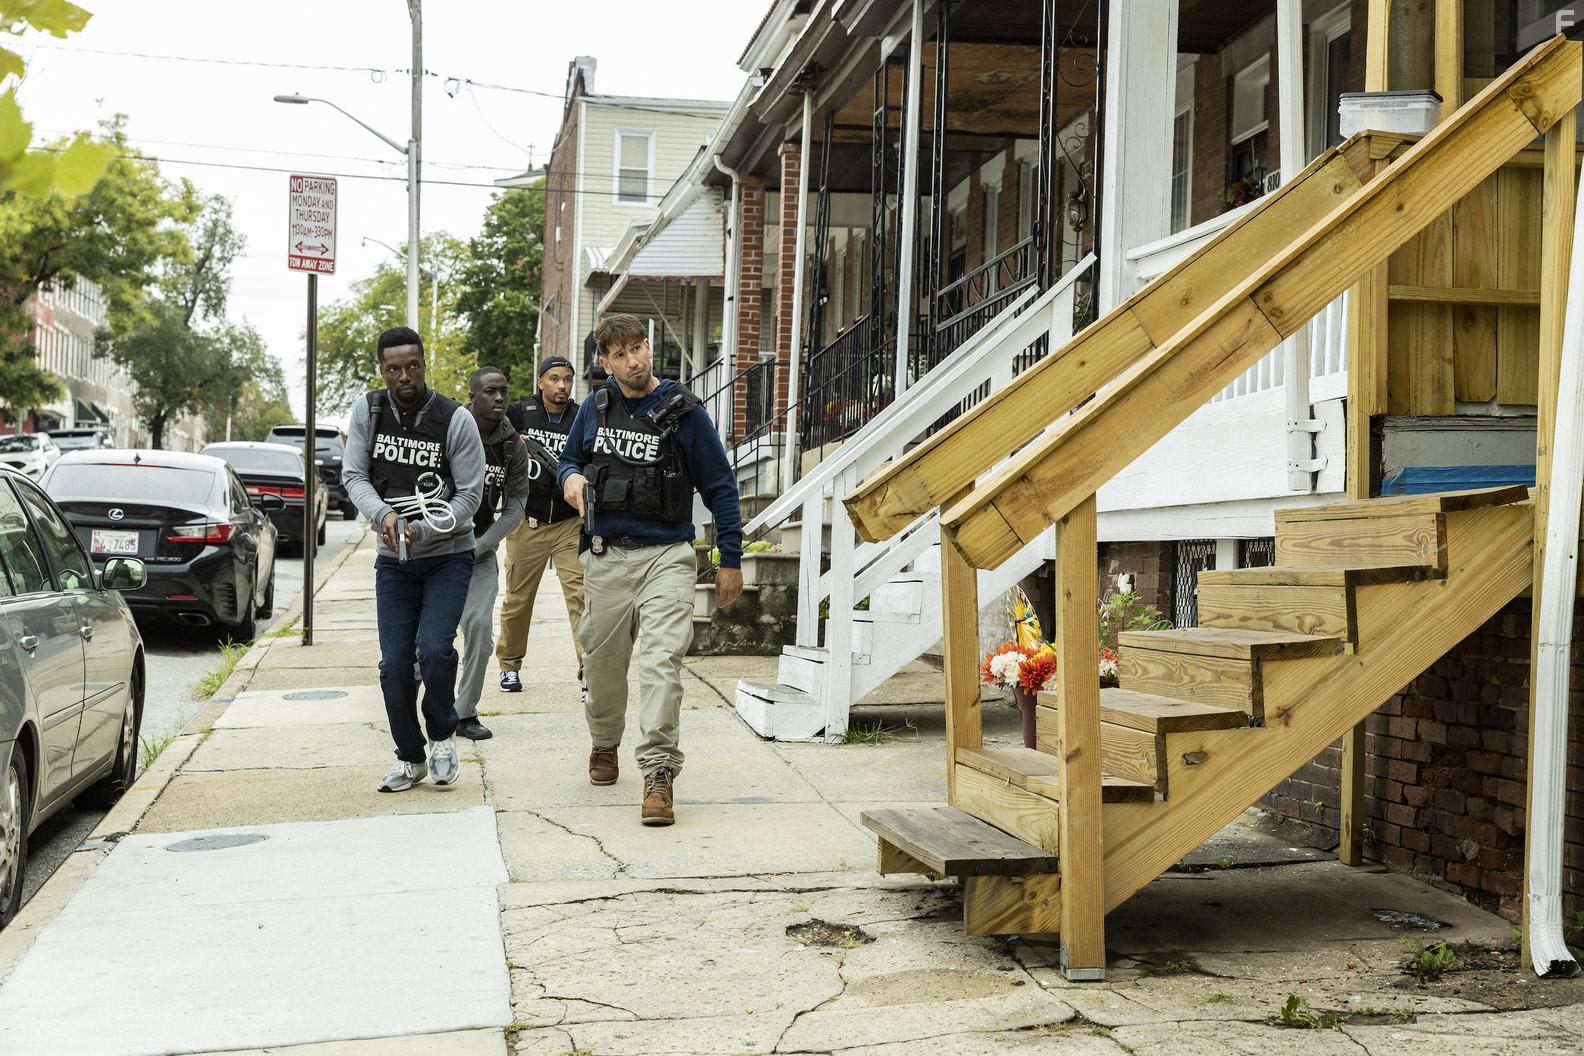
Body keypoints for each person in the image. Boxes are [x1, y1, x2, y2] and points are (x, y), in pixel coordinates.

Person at [558, 313, 743, 827]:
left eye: (638, 348)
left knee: (662, 663)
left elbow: (720, 488)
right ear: (605, 362)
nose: (633, 361)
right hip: (605, 555)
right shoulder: (595, 407)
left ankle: (659, 772)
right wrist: (570, 479)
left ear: (648, 345)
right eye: (620, 354)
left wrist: (730, 558)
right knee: (602, 666)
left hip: (667, 556)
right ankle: (604, 741)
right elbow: (568, 460)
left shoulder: (683, 412)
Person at [342, 326, 485, 793]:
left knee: (435, 650)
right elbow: (353, 475)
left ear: (425, 364)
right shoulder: (369, 409)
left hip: (448, 555)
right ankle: (410, 757)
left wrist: (425, 528)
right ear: (383, 370)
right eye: (394, 368)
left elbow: (470, 495)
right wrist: (383, 514)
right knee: (395, 665)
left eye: (413, 366)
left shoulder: (455, 419)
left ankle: (442, 734)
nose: (404, 376)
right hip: (394, 560)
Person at [495, 355, 585, 694]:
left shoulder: (580, 416)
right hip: (527, 520)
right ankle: (509, 666)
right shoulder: (519, 413)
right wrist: (512, 445)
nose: (561, 386)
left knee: (581, 597)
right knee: (518, 599)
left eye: (567, 379)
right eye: (554, 379)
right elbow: (489, 439)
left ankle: (588, 670)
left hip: (568, 523)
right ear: (540, 382)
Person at [454, 366, 531, 741]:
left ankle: (464, 713)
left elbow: (515, 509)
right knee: (427, 643)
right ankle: (413, 702)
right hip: (436, 549)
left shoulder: (513, 445)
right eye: (490, 392)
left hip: (478, 551)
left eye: (503, 391)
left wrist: (481, 545)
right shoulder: (449, 430)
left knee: (480, 631)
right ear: (473, 396)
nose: (499, 398)